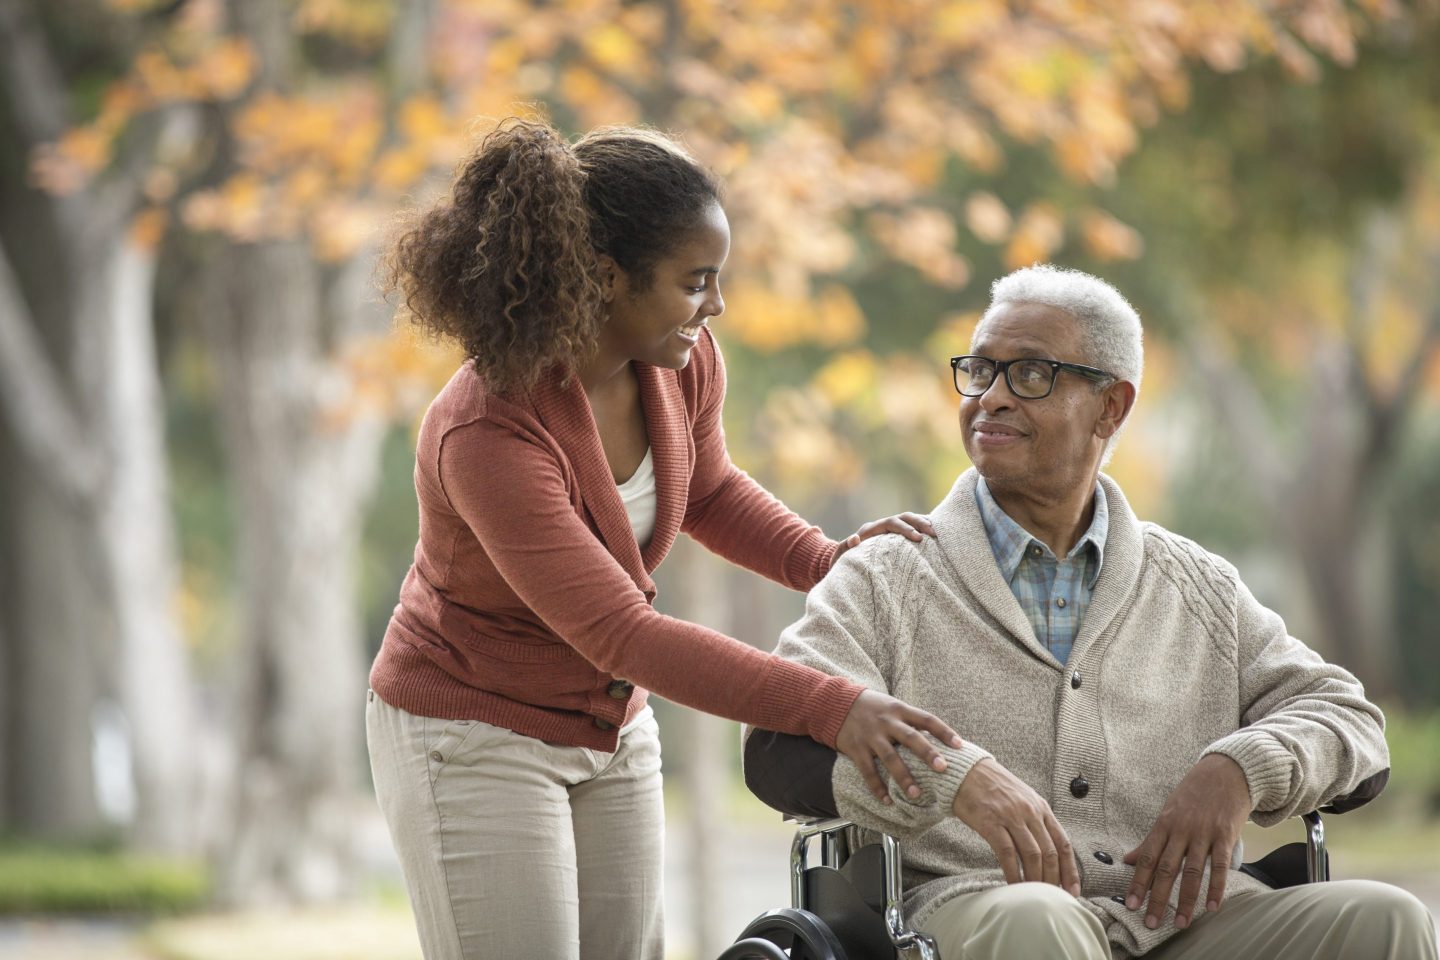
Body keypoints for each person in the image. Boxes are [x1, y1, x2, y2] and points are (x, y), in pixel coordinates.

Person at [363, 117, 963, 960]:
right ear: (607, 278)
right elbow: (621, 632)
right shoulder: (488, 433)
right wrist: (832, 707)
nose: (714, 306)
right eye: (695, 282)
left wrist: (829, 562)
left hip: (609, 723)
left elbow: (709, 489)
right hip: (474, 732)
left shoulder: (682, 361)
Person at [744, 264, 1437, 959]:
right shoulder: (885, 575)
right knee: (1040, 920)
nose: (991, 398)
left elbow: (1351, 725)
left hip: (1181, 917)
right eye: (980, 370)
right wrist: (954, 782)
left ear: (1112, 406)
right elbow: (777, 747)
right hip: (972, 910)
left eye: (1030, 374)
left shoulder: (1199, 587)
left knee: (1386, 917)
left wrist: (1240, 770)